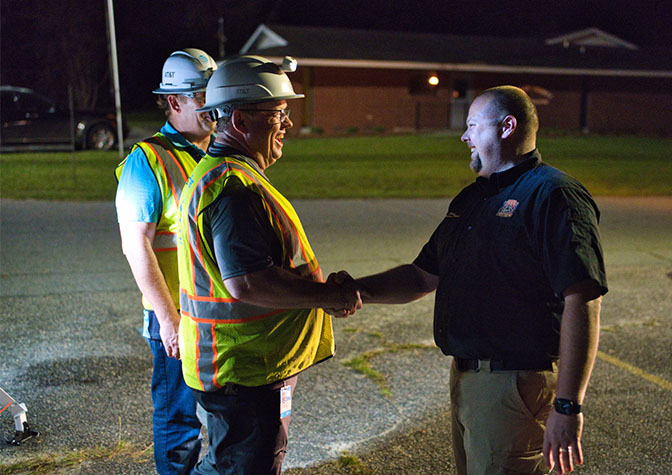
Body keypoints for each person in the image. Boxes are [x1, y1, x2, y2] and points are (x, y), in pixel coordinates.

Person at [334, 86, 607, 475]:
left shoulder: (554, 195)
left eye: (472, 125)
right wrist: (356, 290)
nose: (464, 136)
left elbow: (583, 297)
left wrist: (568, 405)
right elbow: (423, 274)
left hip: (512, 383)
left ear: (507, 126)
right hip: (467, 380)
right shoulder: (472, 200)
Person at [176, 55, 362, 475]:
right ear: (240, 119)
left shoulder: (220, 174)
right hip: (246, 369)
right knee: (242, 468)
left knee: (231, 463)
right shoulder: (234, 188)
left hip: (243, 366)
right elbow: (247, 282)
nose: (287, 124)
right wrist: (327, 296)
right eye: (278, 113)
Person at [115, 48, 217, 475]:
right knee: (179, 420)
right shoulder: (148, 160)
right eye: (201, 97)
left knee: (225, 418)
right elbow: (135, 245)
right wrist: (168, 319)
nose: (213, 107)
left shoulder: (217, 153)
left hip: (218, 315)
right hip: (176, 316)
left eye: (215, 95)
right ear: (174, 102)